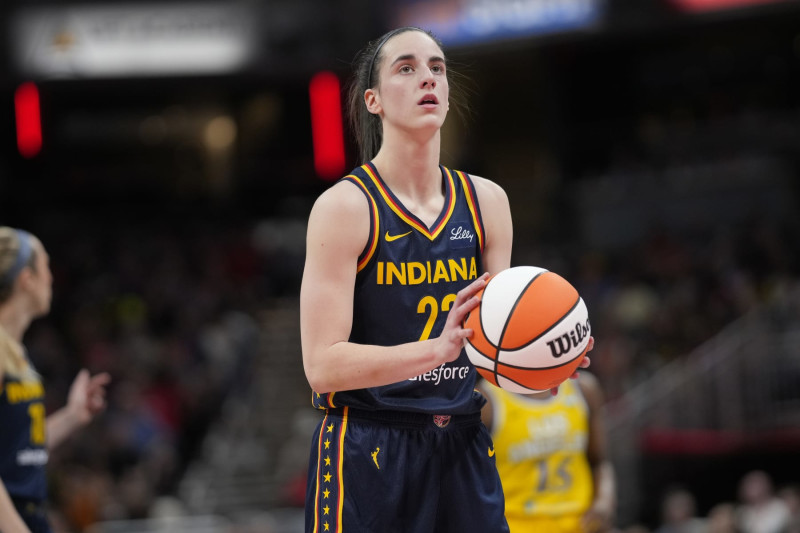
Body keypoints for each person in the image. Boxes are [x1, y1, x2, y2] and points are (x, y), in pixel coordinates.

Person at [300, 26, 591, 532]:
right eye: (406, 68)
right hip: (368, 444)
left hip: (461, 440)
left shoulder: (487, 202)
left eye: (437, 67)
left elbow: (496, 342)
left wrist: (535, 369)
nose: (427, 78)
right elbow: (322, 366)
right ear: (374, 100)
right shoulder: (345, 207)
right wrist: (436, 349)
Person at [0, 227, 111, 533]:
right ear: (27, 279)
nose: (51, 277)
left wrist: (73, 416)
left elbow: (17, 449)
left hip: (26, 513)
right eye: (46, 266)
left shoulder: (16, 352)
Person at [479, 371, 615, 533]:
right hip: (514, 524)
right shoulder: (484, 401)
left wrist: (603, 502)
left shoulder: (584, 389)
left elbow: (599, 462)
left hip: (581, 523)